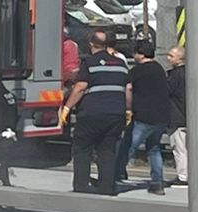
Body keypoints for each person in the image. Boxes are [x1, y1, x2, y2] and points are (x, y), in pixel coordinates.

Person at [63, 29, 130, 195]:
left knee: (82, 149)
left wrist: (66, 107)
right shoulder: (121, 64)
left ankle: (81, 186)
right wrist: (128, 110)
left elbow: (80, 87)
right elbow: (128, 88)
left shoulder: (89, 63)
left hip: (92, 113)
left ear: (91, 44)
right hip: (116, 114)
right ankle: (107, 188)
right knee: (107, 151)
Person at [126, 40, 173, 195]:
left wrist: (128, 108)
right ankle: (157, 182)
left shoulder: (137, 70)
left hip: (144, 116)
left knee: (128, 147)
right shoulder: (159, 69)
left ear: (140, 54)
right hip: (162, 115)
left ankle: (112, 175)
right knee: (154, 148)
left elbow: (129, 88)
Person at [164, 45, 190, 185]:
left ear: (180, 58)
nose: (168, 58)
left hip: (177, 116)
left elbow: (166, 91)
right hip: (188, 116)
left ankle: (183, 176)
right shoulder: (189, 73)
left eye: (171, 56)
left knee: (179, 148)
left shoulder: (174, 75)